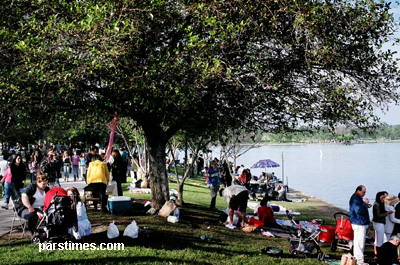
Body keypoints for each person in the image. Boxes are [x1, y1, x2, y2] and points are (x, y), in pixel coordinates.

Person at [20, 173, 50, 238]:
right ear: (38, 182)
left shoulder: (47, 189)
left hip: (42, 209)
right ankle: (32, 234)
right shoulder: (32, 187)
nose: (45, 185)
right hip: (29, 209)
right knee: (32, 216)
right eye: (43, 184)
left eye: (46, 184)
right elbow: (24, 196)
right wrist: (29, 207)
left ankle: (49, 232)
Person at [349, 185, 372, 265]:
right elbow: (359, 210)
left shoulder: (357, 198)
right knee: (359, 242)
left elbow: (360, 208)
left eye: (365, 192)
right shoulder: (355, 198)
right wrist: (365, 204)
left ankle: (358, 258)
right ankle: (359, 260)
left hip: (359, 222)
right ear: (358, 191)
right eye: (363, 192)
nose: (364, 194)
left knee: (360, 241)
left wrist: (366, 206)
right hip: (358, 222)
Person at [373, 191, 393, 257]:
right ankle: (379, 255)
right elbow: (378, 215)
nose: (384, 199)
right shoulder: (377, 205)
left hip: (381, 223)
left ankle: (379, 254)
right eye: (383, 197)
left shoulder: (380, 204)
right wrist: (387, 213)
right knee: (380, 240)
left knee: (380, 239)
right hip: (378, 223)